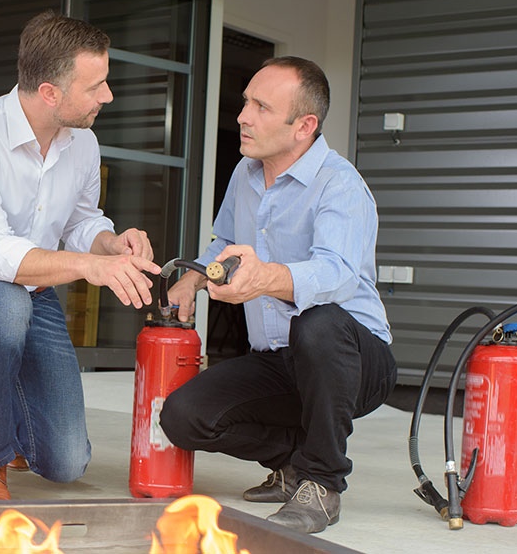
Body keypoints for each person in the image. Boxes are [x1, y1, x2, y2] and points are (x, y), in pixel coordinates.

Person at [0, 11, 161, 501]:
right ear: (50, 92)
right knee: (3, 300)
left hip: (32, 299)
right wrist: (91, 268)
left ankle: (12, 423)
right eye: (96, 86)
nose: (107, 96)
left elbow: (82, 221)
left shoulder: (82, 142)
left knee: (67, 462)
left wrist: (111, 244)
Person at [160, 56, 396, 534]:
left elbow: (338, 275)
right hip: (280, 358)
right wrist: (196, 277)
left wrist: (265, 277)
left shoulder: (341, 185)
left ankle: (323, 483)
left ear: (303, 126)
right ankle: (296, 463)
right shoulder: (245, 174)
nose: (243, 115)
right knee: (184, 418)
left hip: (353, 357)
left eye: (261, 107)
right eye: (247, 101)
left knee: (318, 320)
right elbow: (224, 243)